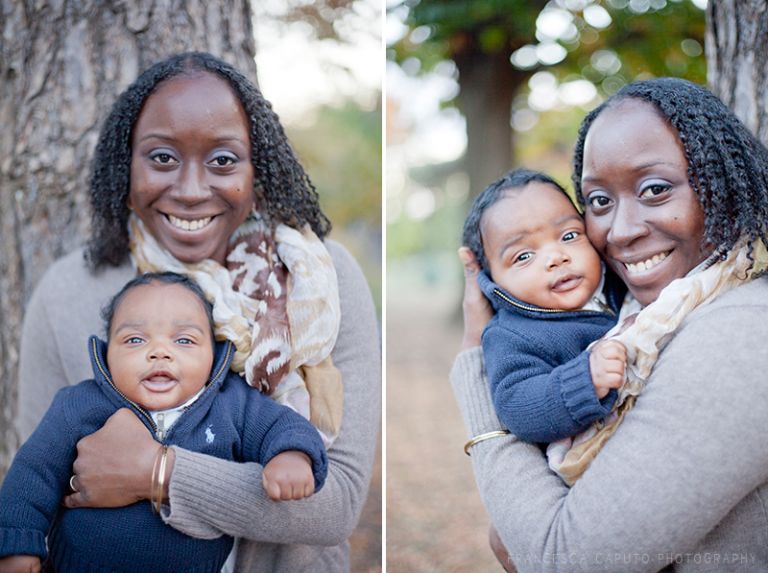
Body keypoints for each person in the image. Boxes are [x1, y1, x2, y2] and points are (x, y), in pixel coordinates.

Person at [15, 52, 380, 572]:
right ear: (126, 165)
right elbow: (38, 479)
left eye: (223, 160)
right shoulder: (68, 291)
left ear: (258, 170)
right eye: (162, 157)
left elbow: (335, 505)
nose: (190, 191)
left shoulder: (322, 279)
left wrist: (159, 473)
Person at [453, 77, 768, 572]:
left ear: (721, 184)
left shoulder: (739, 333)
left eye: (655, 189)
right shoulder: (651, 313)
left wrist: (520, 513)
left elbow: (563, 559)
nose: (620, 231)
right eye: (599, 201)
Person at [0, 272, 327, 573]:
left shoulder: (232, 404)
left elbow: (281, 426)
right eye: (135, 340)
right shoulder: (79, 405)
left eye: (183, 340)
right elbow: (33, 472)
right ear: (107, 353)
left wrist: (292, 455)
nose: (159, 352)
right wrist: (16, 545)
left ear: (214, 354)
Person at [461, 168, 627, 450]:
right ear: (490, 278)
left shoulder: (622, 280)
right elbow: (516, 405)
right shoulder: (510, 335)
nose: (556, 257)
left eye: (569, 235)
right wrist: (584, 381)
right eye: (524, 256)